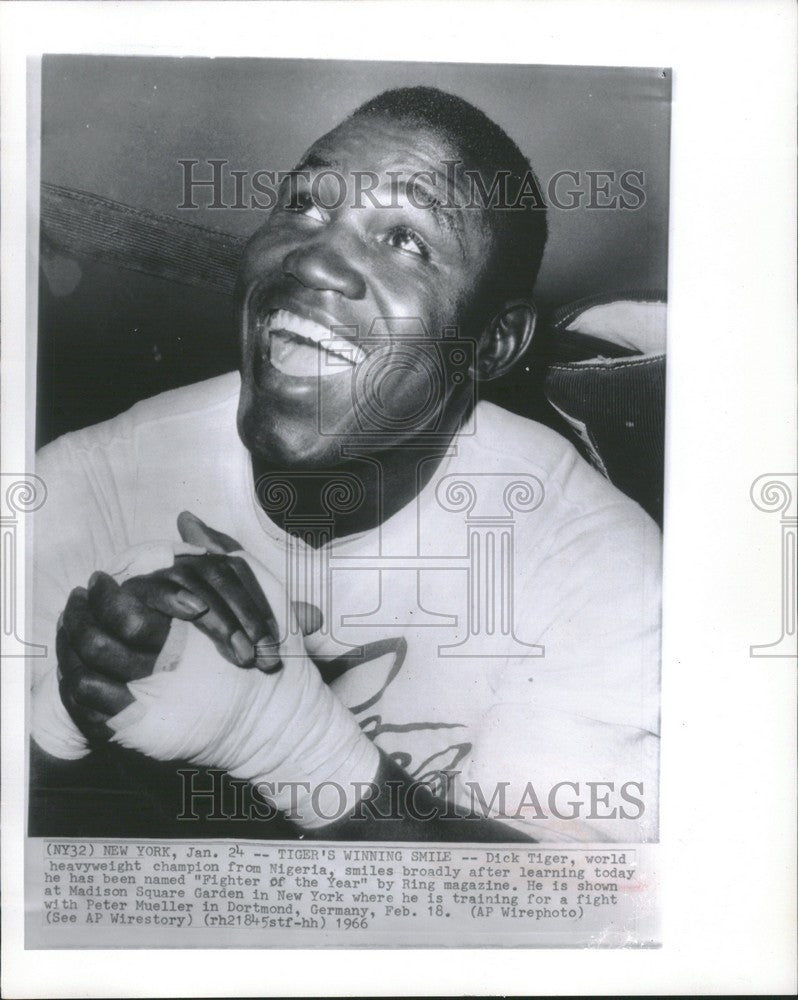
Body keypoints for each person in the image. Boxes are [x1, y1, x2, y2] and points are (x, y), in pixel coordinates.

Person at [30, 86, 661, 843]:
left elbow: (564, 929)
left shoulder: (596, 564)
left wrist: (295, 748)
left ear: (492, 344)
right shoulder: (84, 486)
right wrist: (77, 707)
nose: (319, 258)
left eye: (407, 241)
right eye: (305, 204)